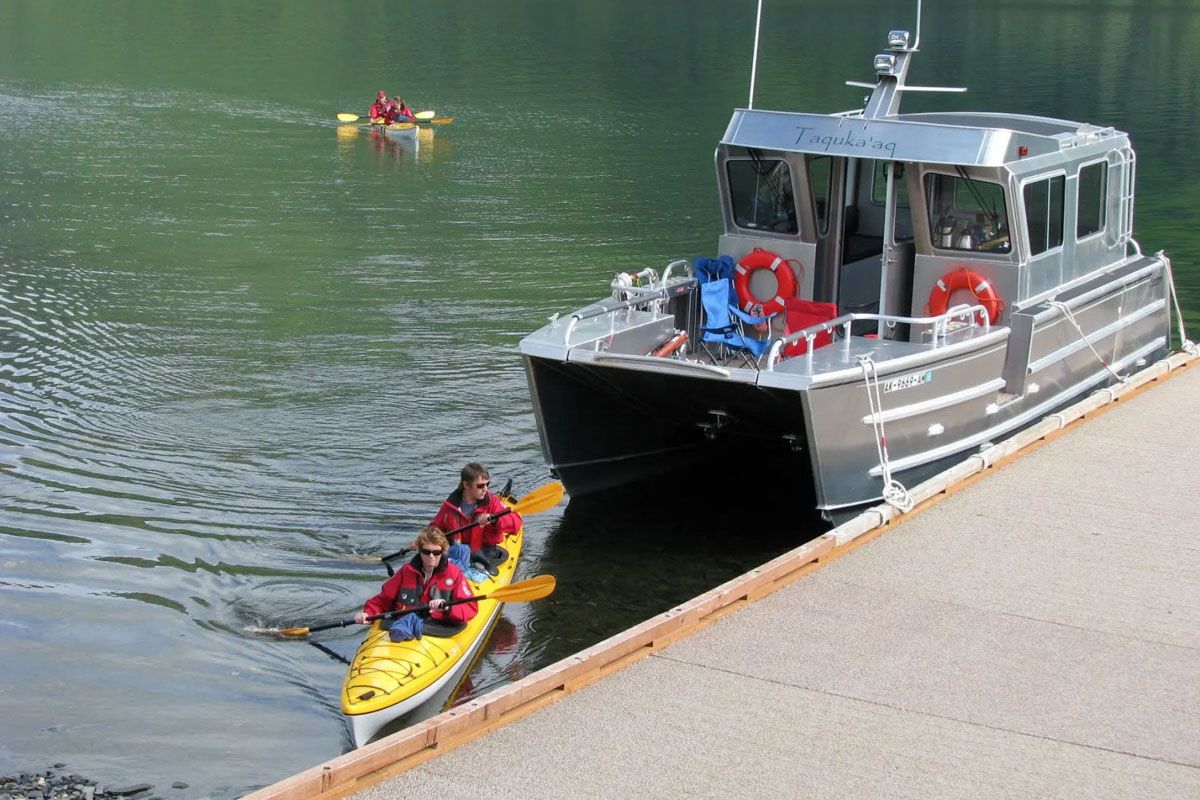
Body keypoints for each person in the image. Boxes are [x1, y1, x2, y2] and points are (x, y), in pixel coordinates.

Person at [354, 526, 477, 641]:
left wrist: (447, 607)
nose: (431, 556)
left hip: (438, 627)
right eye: (426, 551)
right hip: (402, 623)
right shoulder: (406, 571)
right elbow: (383, 600)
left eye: (436, 552)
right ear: (420, 551)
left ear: (443, 552)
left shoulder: (454, 573)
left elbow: (470, 607)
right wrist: (368, 614)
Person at [431, 463, 522, 567]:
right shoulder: (450, 506)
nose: (485, 489)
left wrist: (494, 519)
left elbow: (516, 523)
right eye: (480, 486)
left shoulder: (492, 502)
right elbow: (434, 528)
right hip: (459, 553)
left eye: (487, 484)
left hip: (486, 554)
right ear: (466, 485)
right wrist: (426, 541)